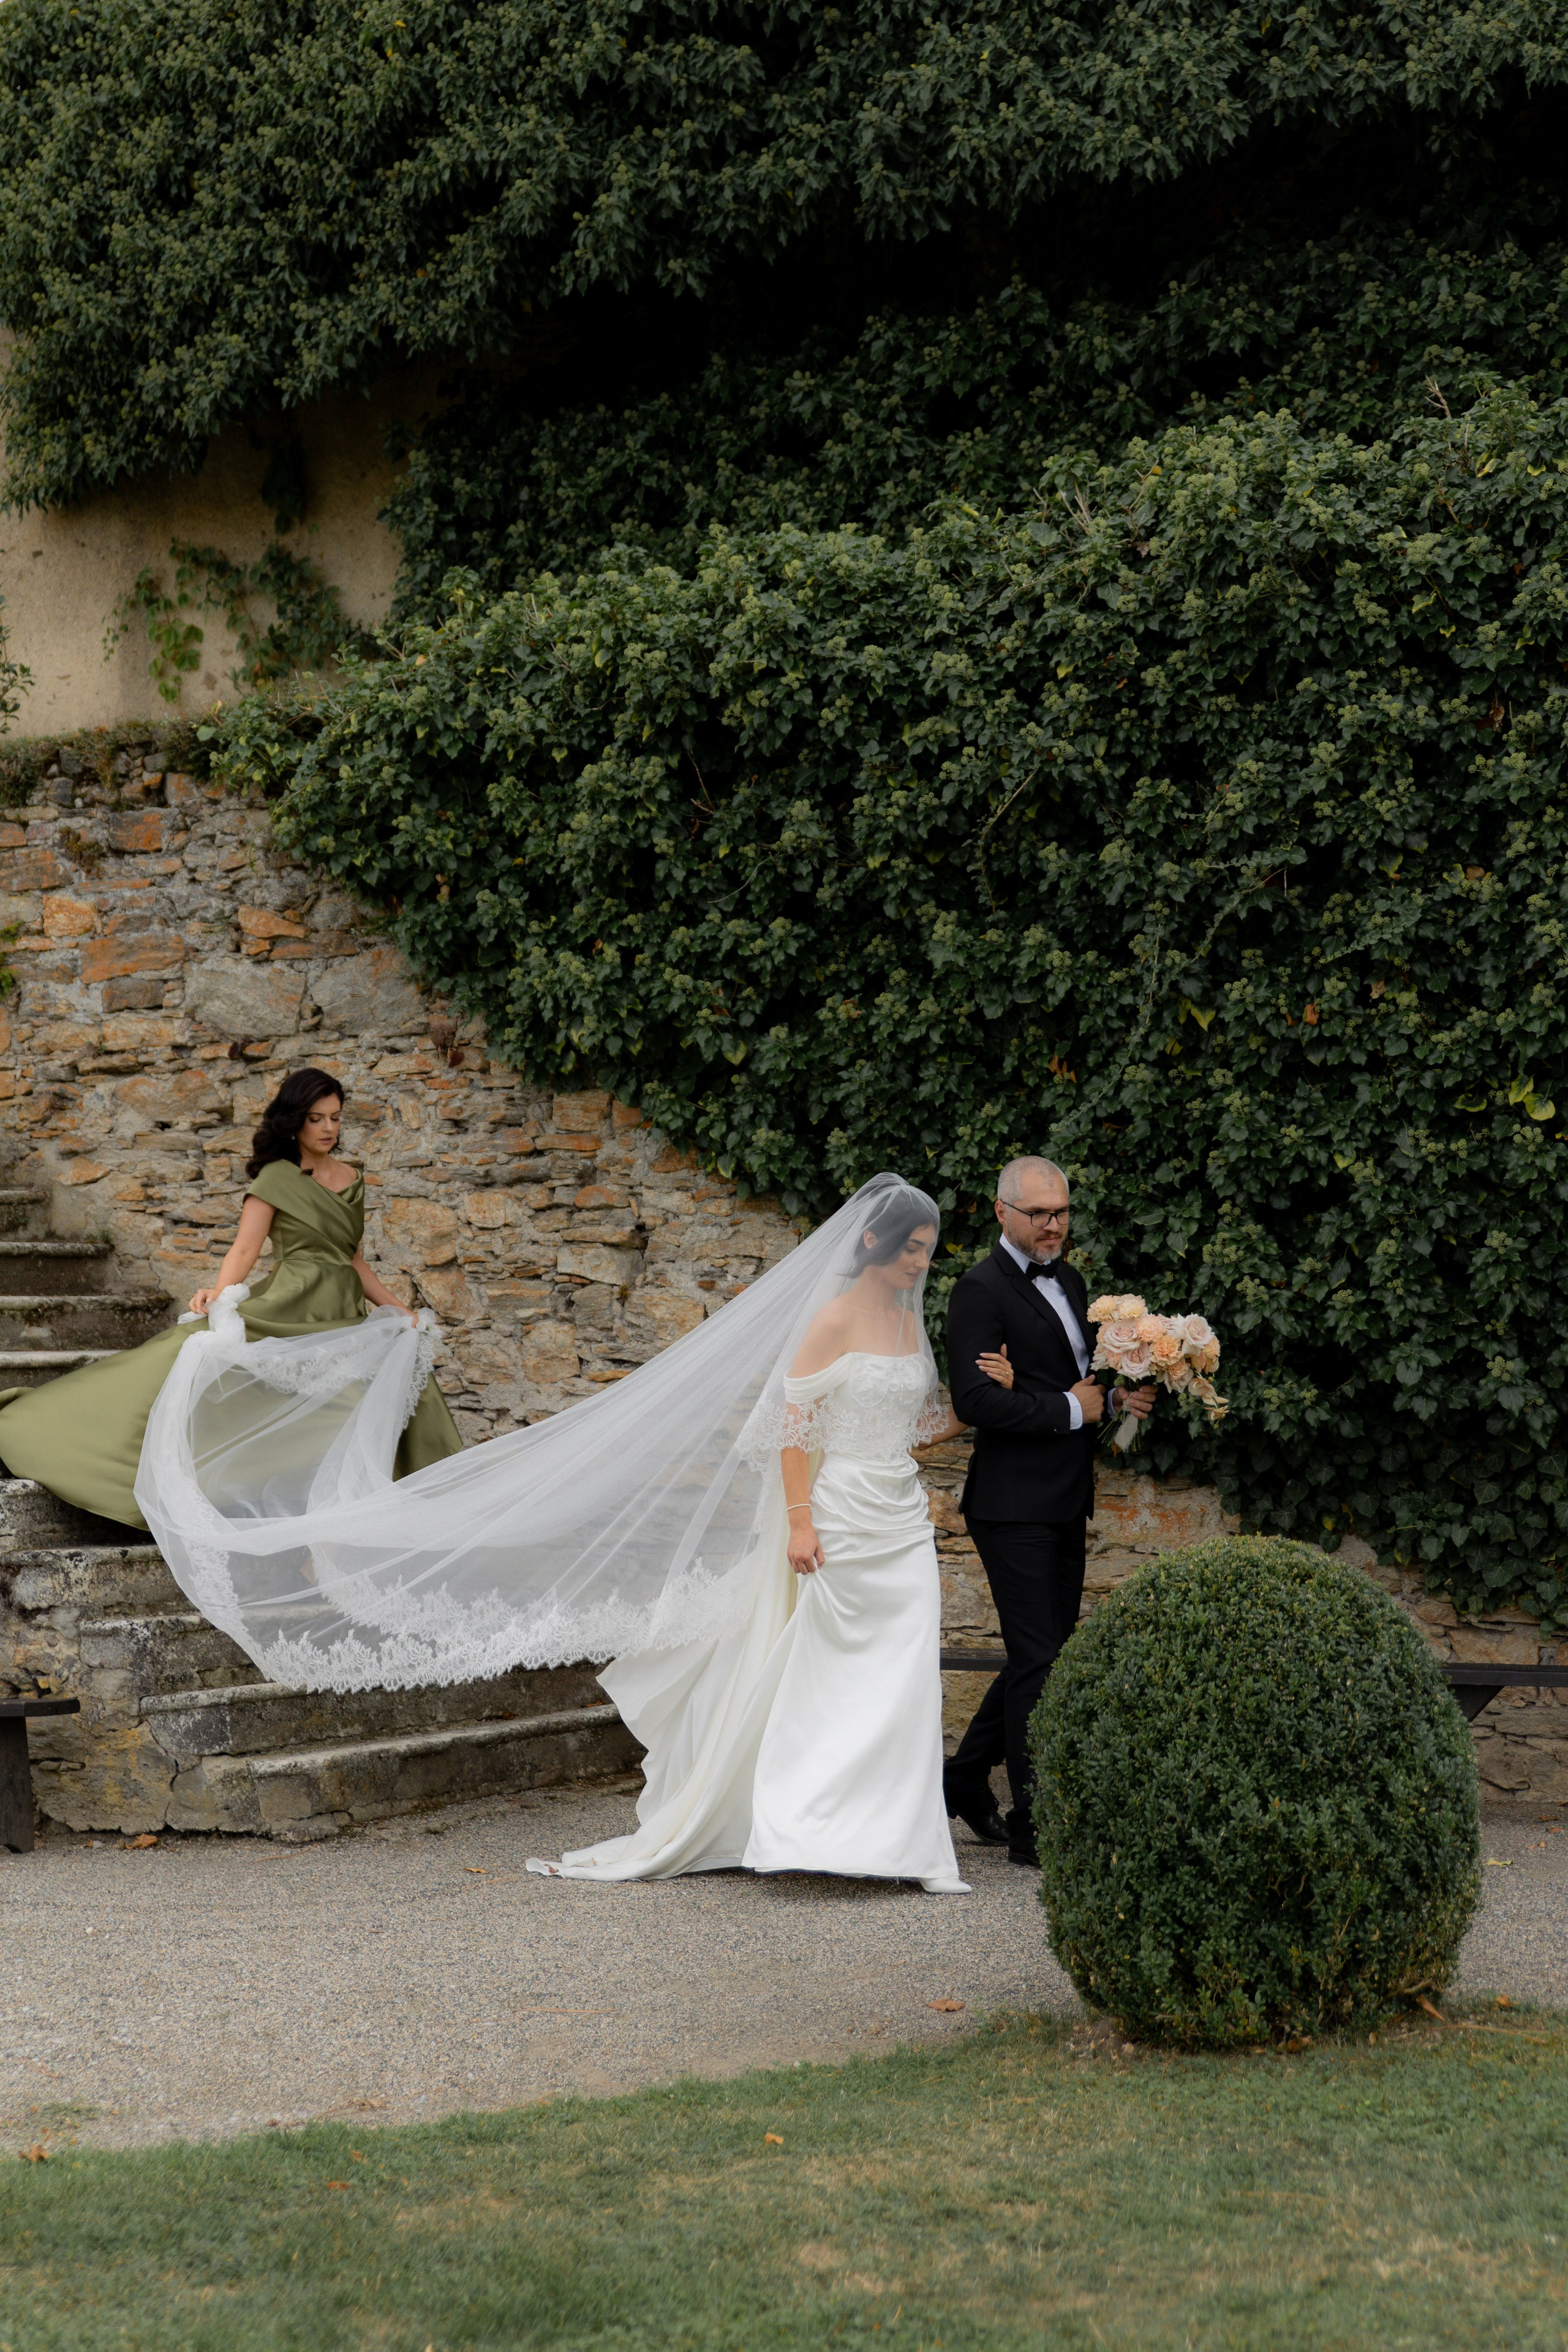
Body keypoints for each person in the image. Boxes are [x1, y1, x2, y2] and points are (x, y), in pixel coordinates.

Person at [532, 1181, 1011, 1892]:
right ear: (875, 1244)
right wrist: (799, 1521)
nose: (922, 1263)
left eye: (928, 1252)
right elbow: (795, 1430)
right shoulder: (833, 1319)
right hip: (842, 1513)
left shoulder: (910, 1325)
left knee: (903, 1678)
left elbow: (906, 1428)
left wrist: (977, 1407)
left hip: (899, 1518)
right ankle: (806, 1827)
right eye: (913, 1249)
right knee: (834, 1677)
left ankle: (911, 1850)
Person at [0, 1068, 462, 1528]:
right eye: (316, 1118)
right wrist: (219, 1294)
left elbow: (354, 1261)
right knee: (188, 1365)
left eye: (336, 1119)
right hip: (288, 1304)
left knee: (359, 1401)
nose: (327, 1129)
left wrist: (399, 1310)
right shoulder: (276, 1179)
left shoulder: (352, 1179)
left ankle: (334, 1523)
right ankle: (49, 1431)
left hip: (339, 1314)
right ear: (296, 1121)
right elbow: (245, 1249)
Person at [943, 1155, 1155, 1868]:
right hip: (1009, 1504)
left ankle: (961, 1777)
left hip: (1065, 1496)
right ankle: (1035, 1825)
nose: (1054, 1225)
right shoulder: (978, 1292)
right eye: (1039, 1213)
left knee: (1042, 1653)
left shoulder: (1070, 1282)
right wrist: (1070, 1407)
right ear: (1001, 1211)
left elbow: (1084, 1386)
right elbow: (974, 1404)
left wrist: (1119, 1405)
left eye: (1061, 1211)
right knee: (1041, 1657)